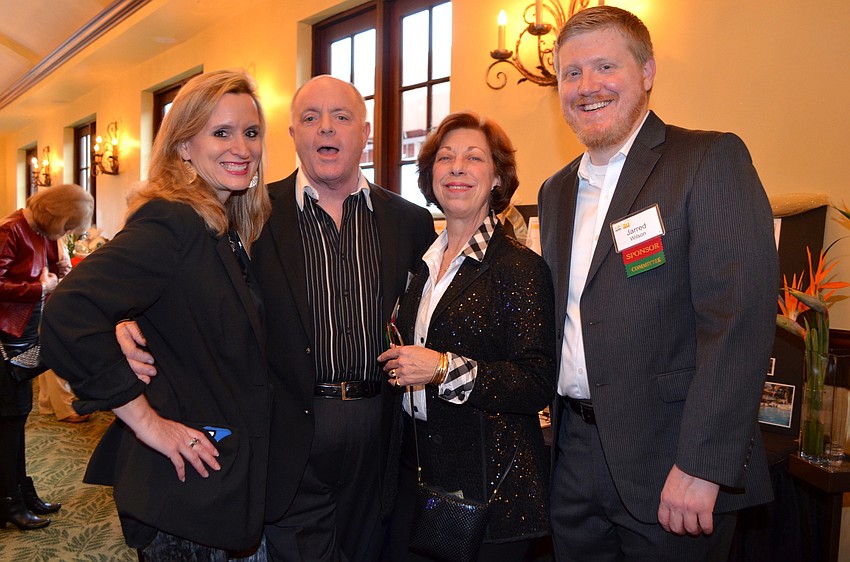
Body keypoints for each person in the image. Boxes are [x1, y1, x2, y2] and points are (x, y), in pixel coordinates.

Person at [119, 74, 435, 562]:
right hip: (287, 433)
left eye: (341, 117)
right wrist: (125, 319)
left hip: (378, 433)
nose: (325, 128)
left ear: (365, 132)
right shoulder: (248, 211)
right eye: (310, 118)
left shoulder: (410, 222)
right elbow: (184, 289)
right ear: (292, 135)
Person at [538, 6, 779, 561]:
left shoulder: (706, 159)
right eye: (571, 73)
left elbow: (737, 321)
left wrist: (702, 464)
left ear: (646, 72)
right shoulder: (555, 191)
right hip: (572, 458)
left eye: (605, 67)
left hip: (673, 461)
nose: (587, 86)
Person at [40, 69, 273, 560]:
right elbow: (68, 310)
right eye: (221, 132)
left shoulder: (222, 223)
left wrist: (127, 321)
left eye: (251, 132)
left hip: (219, 478)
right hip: (187, 489)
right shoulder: (173, 219)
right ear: (184, 146)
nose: (242, 148)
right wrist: (147, 423)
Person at [377, 111, 556, 561]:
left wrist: (442, 369)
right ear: (430, 175)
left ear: (496, 178)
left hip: (487, 485)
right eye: (445, 157)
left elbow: (535, 381)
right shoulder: (422, 264)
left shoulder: (519, 267)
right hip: (416, 469)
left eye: (474, 158)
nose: (457, 168)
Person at [0, 183, 93, 530]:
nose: (66, 233)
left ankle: (21, 493)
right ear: (56, 216)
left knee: (16, 419)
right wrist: (41, 287)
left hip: (23, 336)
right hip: (6, 339)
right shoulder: (11, 230)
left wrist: (61, 272)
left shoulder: (39, 231)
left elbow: (56, 269)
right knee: (9, 422)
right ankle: (9, 502)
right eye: (67, 226)